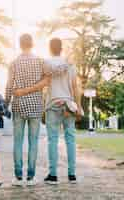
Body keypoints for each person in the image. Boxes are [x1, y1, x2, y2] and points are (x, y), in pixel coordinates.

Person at [14, 38, 83, 185]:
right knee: (70, 139)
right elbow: (75, 87)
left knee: (53, 140)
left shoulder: (45, 63)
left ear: (50, 48)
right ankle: (72, 175)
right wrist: (79, 106)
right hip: (69, 104)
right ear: (61, 48)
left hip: (52, 104)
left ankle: (53, 175)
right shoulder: (70, 65)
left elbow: (44, 83)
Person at [5, 33, 51, 186]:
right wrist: (32, 89)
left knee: (17, 142)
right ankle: (31, 177)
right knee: (33, 142)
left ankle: (18, 177)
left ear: (20, 44)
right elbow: (47, 81)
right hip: (36, 105)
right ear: (32, 44)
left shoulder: (13, 63)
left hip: (18, 105)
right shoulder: (40, 61)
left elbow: (9, 86)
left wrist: (6, 103)